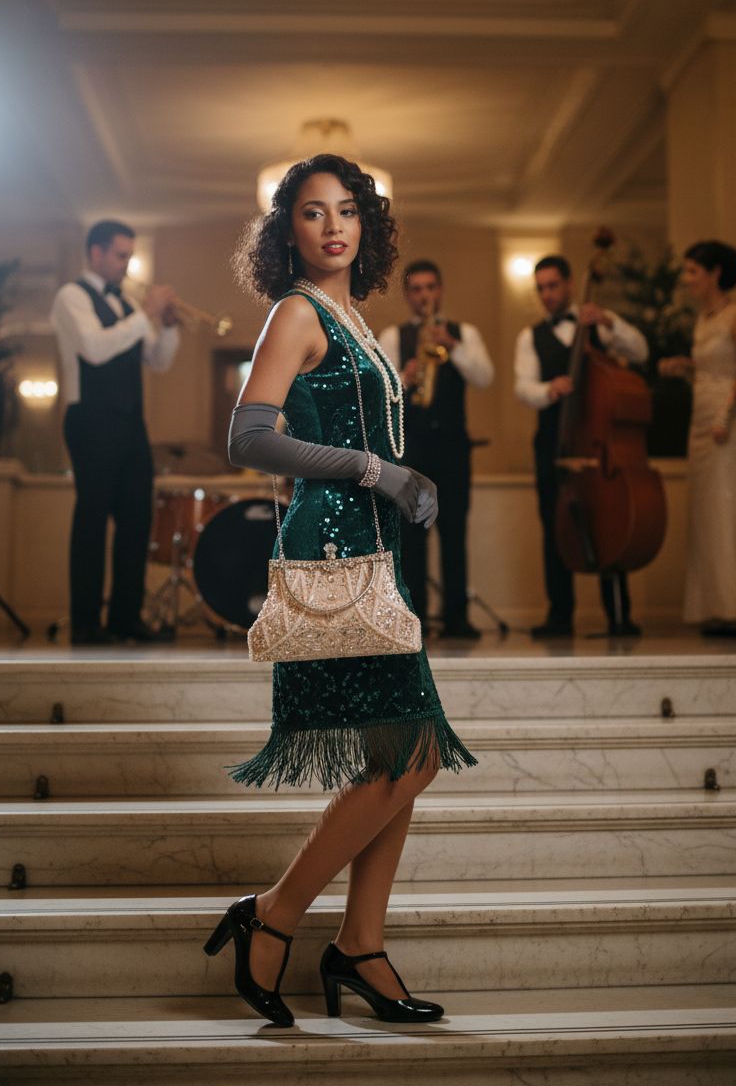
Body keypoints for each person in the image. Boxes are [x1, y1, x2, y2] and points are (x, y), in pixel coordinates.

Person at [209, 154, 476, 1028]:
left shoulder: (355, 316)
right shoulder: (296, 311)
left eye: (349, 211)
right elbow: (248, 435)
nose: (334, 225)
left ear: (368, 227)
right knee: (415, 753)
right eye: (314, 212)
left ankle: (361, 944)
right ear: (288, 229)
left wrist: (401, 484)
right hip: (333, 546)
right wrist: (377, 471)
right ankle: (278, 913)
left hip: (375, 547)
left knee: (397, 755)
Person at [50, 220, 179, 644]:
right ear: (96, 253)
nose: (127, 265)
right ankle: (86, 624)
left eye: (129, 255)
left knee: (136, 519)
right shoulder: (71, 297)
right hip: (89, 419)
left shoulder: (125, 305)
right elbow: (95, 348)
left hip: (129, 424)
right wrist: (145, 315)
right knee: (92, 519)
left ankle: (126, 617)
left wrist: (170, 325)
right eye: (121, 255)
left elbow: (158, 361)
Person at [514, 254, 649, 638]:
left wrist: (609, 321)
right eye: (541, 288)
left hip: (597, 443)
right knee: (554, 526)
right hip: (553, 442)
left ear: (570, 284)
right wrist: (548, 389)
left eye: (553, 285)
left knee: (610, 518)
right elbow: (523, 388)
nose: (547, 294)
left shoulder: (597, 327)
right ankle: (560, 616)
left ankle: (618, 614)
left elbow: (640, 350)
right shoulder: (530, 336)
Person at [659, 240, 736, 635]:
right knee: (705, 512)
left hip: (731, 417)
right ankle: (717, 606)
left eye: (694, 270)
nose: (687, 278)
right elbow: (711, 366)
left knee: (727, 506)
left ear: (715, 274)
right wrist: (686, 366)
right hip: (701, 418)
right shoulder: (704, 319)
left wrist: (727, 409)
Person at [377, 261, 493, 639]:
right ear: (408, 295)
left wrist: (453, 347)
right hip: (412, 449)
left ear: (440, 290)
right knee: (411, 535)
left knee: (455, 530)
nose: (424, 296)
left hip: (454, 447)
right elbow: (379, 394)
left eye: (430, 288)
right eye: (416, 289)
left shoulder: (466, 333)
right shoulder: (393, 336)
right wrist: (402, 379)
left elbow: (484, 377)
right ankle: (417, 619)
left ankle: (458, 618)